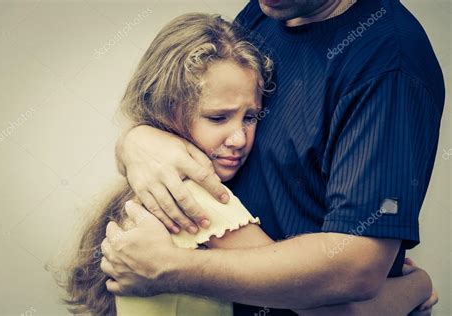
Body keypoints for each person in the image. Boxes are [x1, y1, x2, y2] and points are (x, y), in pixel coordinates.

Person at [102, 0, 445, 315]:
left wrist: (170, 268)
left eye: (251, 117)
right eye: (219, 119)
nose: (238, 138)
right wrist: (135, 140)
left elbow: (354, 269)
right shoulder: (267, 12)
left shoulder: (389, 65)